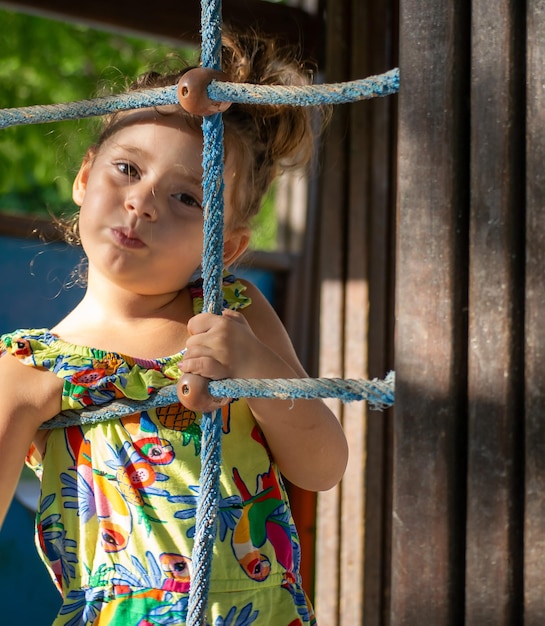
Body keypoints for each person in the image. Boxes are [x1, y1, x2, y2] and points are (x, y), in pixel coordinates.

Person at [0, 30, 348, 625]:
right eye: (127, 168)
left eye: (188, 198)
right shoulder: (31, 370)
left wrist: (254, 364)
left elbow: (323, 465)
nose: (143, 202)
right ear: (85, 178)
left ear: (228, 246)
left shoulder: (226, 310)